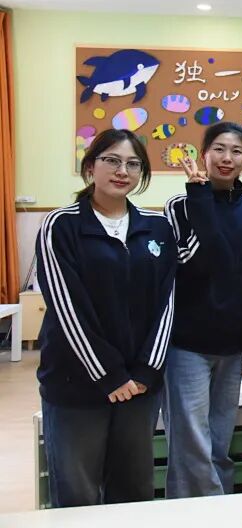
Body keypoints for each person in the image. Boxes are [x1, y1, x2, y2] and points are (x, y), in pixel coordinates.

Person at [35, 129, 176, 507]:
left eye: (133, 164)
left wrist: (146, 371)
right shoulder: (61, 225)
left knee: (133, 492)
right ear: (90, 167)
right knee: (77, 493)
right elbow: (67, 307)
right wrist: (109, 374)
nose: (122, 171)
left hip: (139, 388)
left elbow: (167, 303)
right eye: (111, 160)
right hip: (77, 384)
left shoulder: (158, 228)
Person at [163, 121, 242, 497]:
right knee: (190, 441)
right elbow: (197, 262)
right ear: (204, 154)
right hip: (188, 344)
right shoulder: (180, 205)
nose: (227, 158)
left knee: (219, 441)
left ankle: (218, 511)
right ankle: (212, 512)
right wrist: (200, 197)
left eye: (236, 151)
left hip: (233, 345)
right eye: (219, 149)